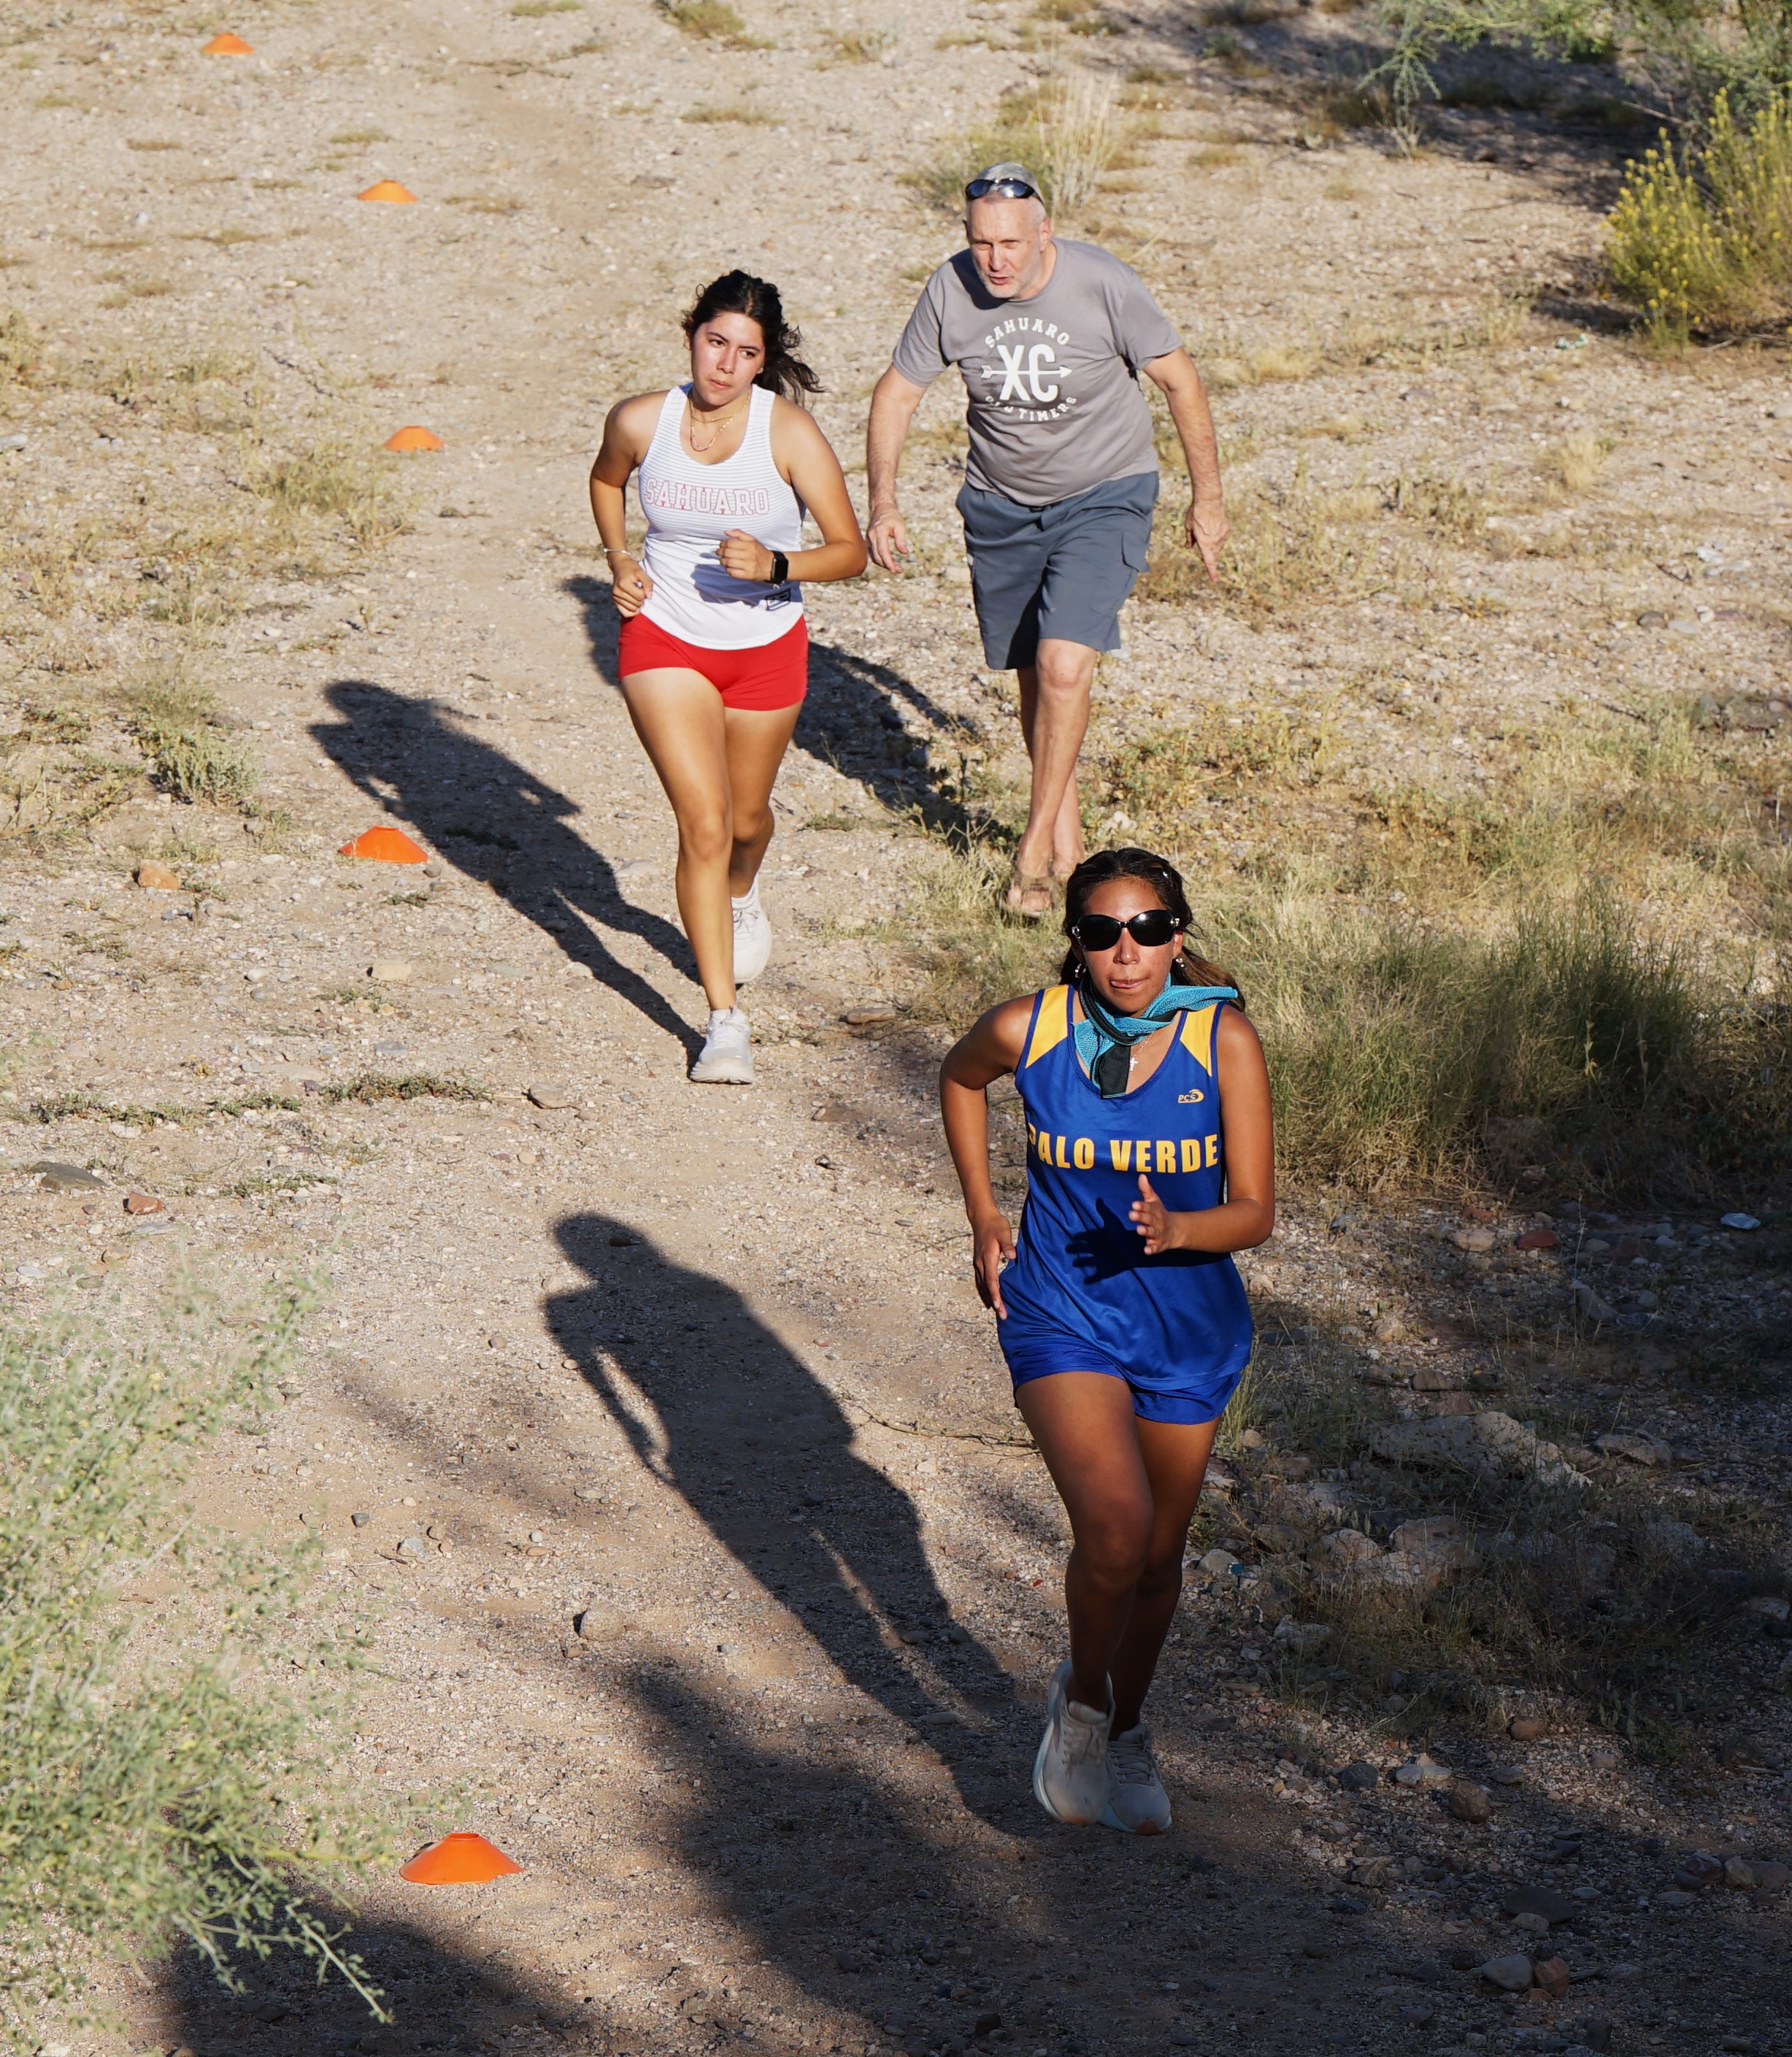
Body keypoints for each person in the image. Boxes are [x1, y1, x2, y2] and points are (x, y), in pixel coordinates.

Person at [938, 847, 1274, 1831]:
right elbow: (961, 1079)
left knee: (1162, 1559)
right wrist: (982, 1215)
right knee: (1116, 1529)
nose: (1125, 951)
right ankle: (1084, 1705)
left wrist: (1180, 1230)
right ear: (1074, 943)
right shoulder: (1028, 1026)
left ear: (1179, 935)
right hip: (1061, 1311)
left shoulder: (1226, 1040)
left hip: (1187, 1324)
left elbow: (1254, 1210)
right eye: (1099, 931)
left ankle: (1129, 1726)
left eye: (1147, 928)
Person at [866, 166, 1228, 919]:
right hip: (999, 507)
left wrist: (1208, 500)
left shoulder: (1100, 284)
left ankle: (1032, 853)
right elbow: (897, 392)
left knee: (1064, 666)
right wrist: (882, 503)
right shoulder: (949, 289)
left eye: (1009, 243)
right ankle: (1068, 851)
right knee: (1033, 675)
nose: (994, 260)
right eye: (980, 243)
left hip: (1104, 495)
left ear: (1044, 232)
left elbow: (1180, 381)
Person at [590, 271, 866, 1084]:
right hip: (664, 638)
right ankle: (723, 1022)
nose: (725, 364)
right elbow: (607, 481)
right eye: (715, 342)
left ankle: (739, 891)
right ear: (690, 337)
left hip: (765, 647)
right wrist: (618, 557)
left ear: (763, 361)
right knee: (703, 822)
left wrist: (778, 562)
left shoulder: (788, 435)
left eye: (746, 353)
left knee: (746, 823)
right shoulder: (643, 419)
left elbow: (847, 551)